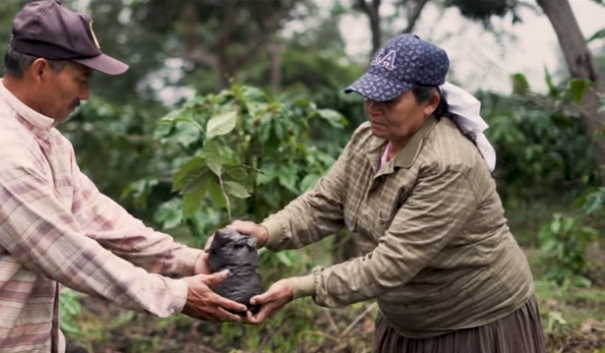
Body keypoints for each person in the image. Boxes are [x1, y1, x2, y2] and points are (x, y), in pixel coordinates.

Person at [0, 2, 246, 353]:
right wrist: (176, 295)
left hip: (34, 339)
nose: (85, 95)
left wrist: (187, 259)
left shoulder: (46, 139)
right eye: (81, 79)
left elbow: (99, 217)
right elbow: (68, 254)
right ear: (41, 70)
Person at [230, 34, 547, 352]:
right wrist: (265, 232)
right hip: (407, 318)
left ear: (430, 103)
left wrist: (298, 287)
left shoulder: (449, 164)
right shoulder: (369, 139)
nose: (373, 108)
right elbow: (324, 203)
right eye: (369, 96)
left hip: (472, 320)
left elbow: (392, 263)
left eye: (388, 99)